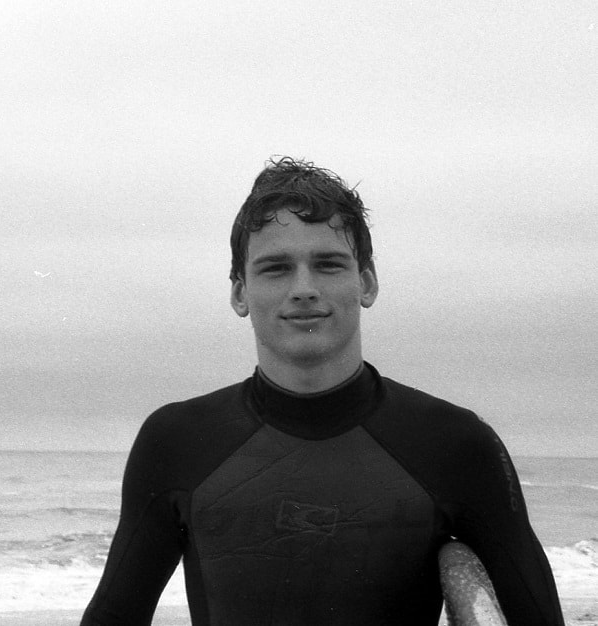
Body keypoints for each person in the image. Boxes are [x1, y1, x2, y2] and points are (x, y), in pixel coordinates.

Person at [81, 157, 564, 625]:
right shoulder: (177, 441)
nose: (304, 288)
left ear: (366, 284)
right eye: (276, 268)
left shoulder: (455, 444)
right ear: (240, 293)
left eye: (328, 265)